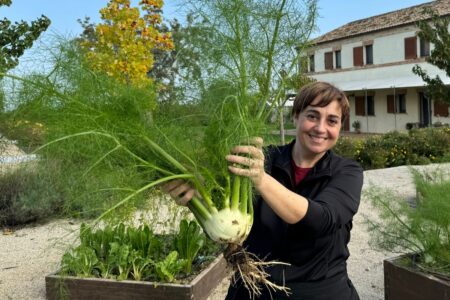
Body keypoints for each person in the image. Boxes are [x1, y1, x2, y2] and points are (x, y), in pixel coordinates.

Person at [164, 81, 363, 300]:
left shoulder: (347, 172)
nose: (320, 128)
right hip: (252, 288)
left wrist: (261, 179)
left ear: (340, 127)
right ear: (296, 116)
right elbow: (226, 225)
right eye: (312, 116)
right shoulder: (261, 160)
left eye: (332, 121)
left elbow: (322, 219)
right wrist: (196, 196)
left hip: (319, 292)